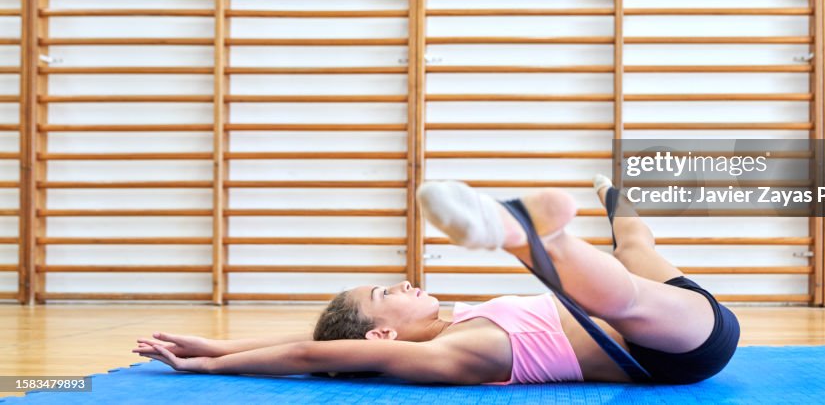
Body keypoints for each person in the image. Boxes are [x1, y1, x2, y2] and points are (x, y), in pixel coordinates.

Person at [134, 176, 740, 384]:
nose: (401, 283)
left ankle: (604, 207)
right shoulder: (451, 353)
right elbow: (307, 354)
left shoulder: (455, 323)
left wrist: (218, 343)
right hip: (671, 349)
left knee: (634, 246)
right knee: (625, 299)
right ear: (380, 339)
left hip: (668, 306)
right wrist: (207, 368)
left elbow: (308, 342)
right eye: (385, 295)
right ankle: (536, 238)